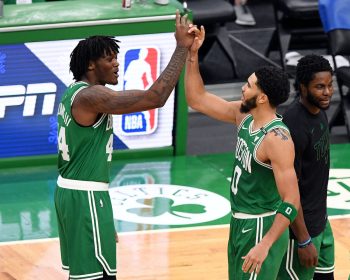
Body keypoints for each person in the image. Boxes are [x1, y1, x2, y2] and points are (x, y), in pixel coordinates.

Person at [55, 10, 195, 280]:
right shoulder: (92, 97)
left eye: (116, 58)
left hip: (79, 195)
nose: (117, 64)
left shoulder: (74, 93)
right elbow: (155, 97)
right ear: (91, 66)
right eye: (109, 59)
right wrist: (181, 49)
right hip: (85, 197)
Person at [185, 26, 300, 279]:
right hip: (239, 222)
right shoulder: (244, 116)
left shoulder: (277, 138)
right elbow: (197, 99)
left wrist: (265, 244)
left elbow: (291, 200)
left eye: (248, 86)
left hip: (261, 225)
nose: (242, 88)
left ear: (262, 98)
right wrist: (192, 54)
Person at [277, 54, 335, 280]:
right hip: (300, 231)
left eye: (330, 85)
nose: (328, 92)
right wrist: (303, 239)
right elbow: (288, 191)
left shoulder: (320, 111)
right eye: (319, 87)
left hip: (320, 219)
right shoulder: (292, 126)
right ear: (303, 87)